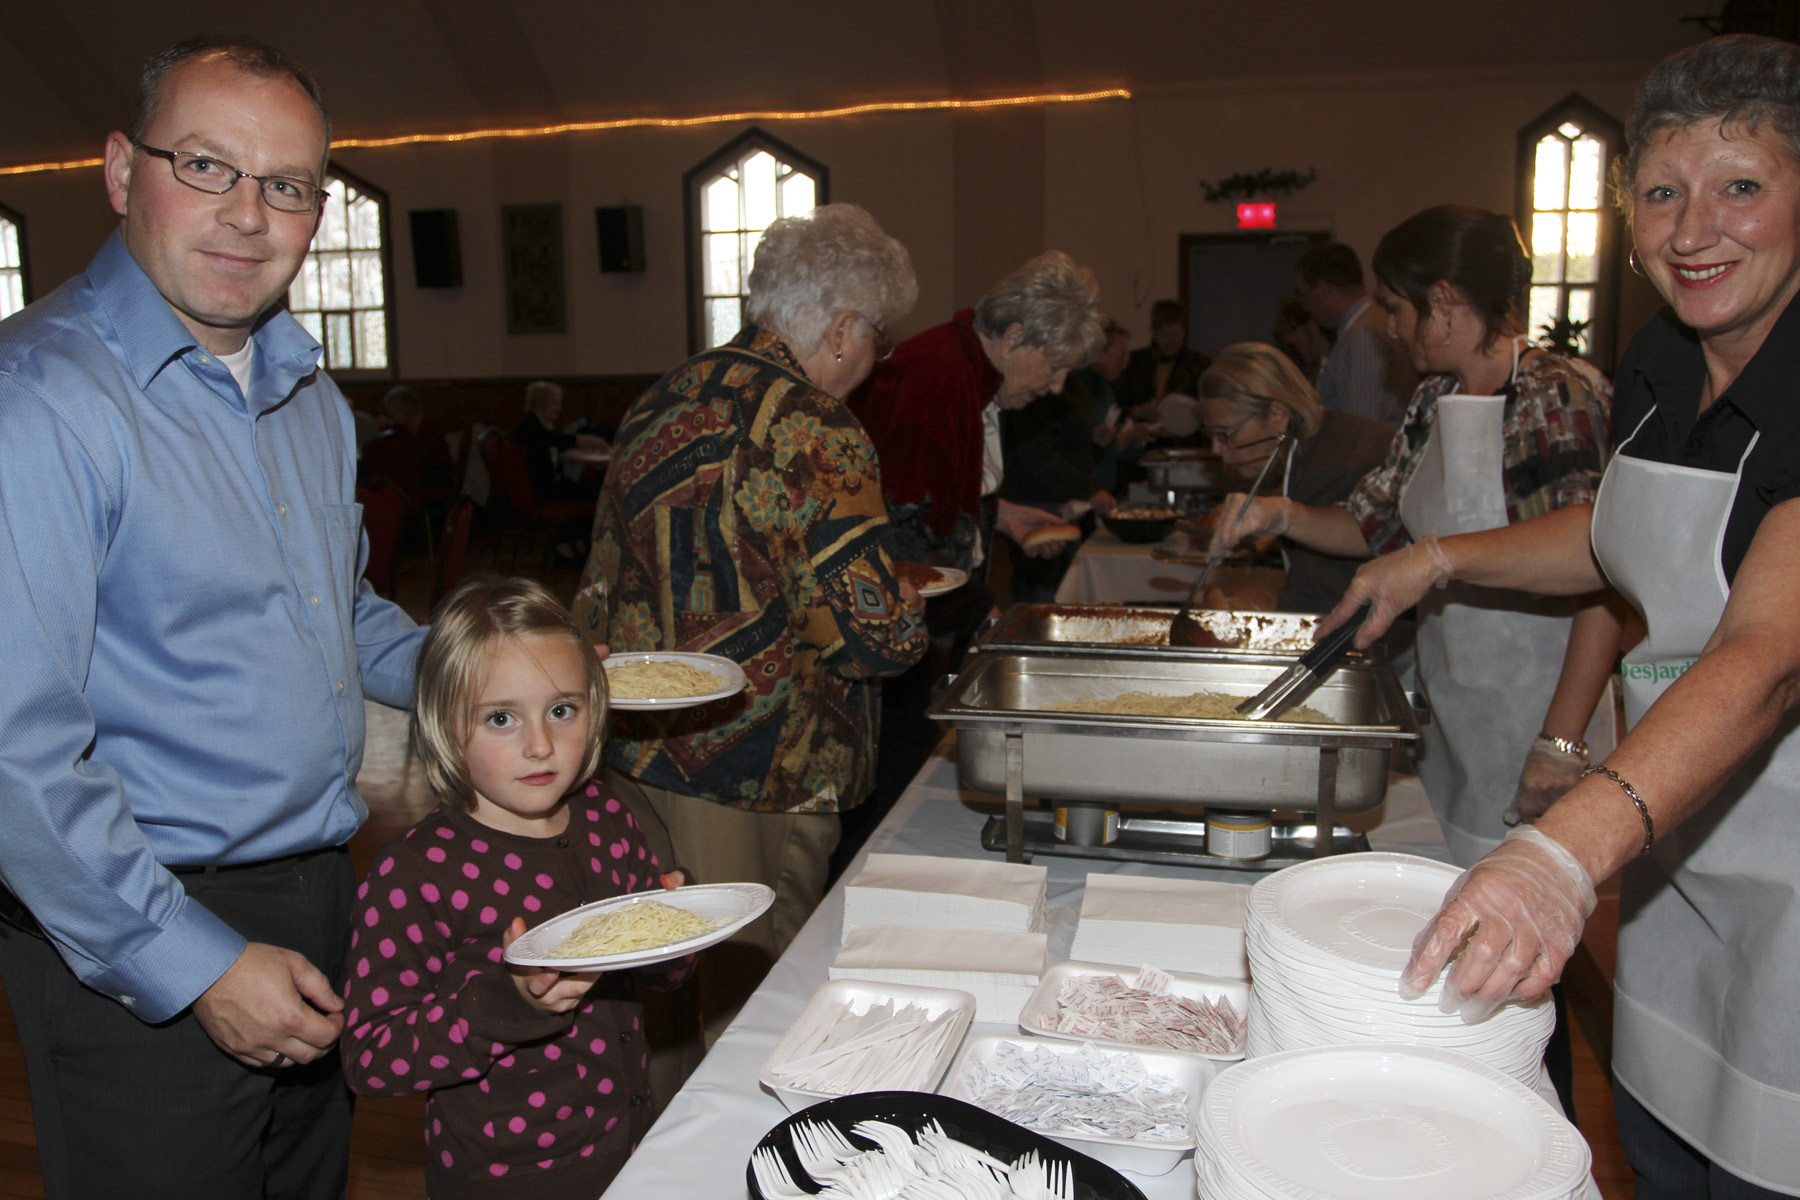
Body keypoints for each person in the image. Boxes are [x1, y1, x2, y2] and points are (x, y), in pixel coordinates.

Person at [1361, 36, 1800, 1198]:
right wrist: (1433, 561)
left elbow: (1767, 656)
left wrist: (1558, 855)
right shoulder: (1663, 359)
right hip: (1679, 860)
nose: (1693, 230)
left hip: (1788, 880)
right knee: (1657, 1148)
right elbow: (1614, 537)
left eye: (1740, 185)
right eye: (1661, 193)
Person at [0, 36, 426, 1200]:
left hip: (317, 886)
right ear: (119, 171)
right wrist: (190, 963)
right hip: (140, 919)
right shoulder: (36, 402)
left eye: (286, 184)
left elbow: (336, 614)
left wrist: (492, 667)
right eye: (205, 166)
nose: (247, 215)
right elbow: (15, 753)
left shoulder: (305, 392)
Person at [574, 204, 928, 1039]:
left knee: (660, 982)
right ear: (841, 328)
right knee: (753, 997)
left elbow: (602, 580)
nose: (873, 360)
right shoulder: (814, 424)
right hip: (762, 761)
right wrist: (907, 615)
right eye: (876, 338)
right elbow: (869, 641)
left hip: (633, 742)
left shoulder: (662, 394)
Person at [1211, 205, 1615, 869]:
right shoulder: (1432, 401)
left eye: (1398, 309)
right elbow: (1373, 526)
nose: (1392, 330)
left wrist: (1561, 741)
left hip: (1537, 714)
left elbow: (1600, 570)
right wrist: (1280, 515)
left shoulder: (1554, 394)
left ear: (1446, 302)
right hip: (1453, 713)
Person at [341, 576, 687, 1199]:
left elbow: (656, 975)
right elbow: (371, 1057)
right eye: (500, 718)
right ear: (443, 723)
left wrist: (677, 924)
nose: (540, 745)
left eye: (562, 710)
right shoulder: (415, 873)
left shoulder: (606, 816)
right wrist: (511, 1006)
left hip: (630, 1141)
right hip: (510, 1178)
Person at [853, 250, 1109, 578]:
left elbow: (940, 495)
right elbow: (907, 534)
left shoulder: (972, 373)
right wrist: (974, 604)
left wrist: (1002, 515)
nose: (1056, 387)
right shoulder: (939, 381)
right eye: (1054, 367)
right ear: (1013, 338)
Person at [1192, 342, 1393, 613]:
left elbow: (1320, 608)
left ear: (1278, 415)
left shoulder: (1333, 471)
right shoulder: (1323, 441)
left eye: (1225, 434)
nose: (1216, 449)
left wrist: (1249, 603)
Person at [1295, 240, 1418, 427]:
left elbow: (1362, 425)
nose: (1307, 307)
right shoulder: (1376, 319)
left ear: (1325, 289)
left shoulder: (1360, 335)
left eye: (1306, 297)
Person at [510, 379, 607, 560]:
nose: (558, 408)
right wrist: (595, 442)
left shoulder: (534, 424)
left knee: (589, 488)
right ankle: (573, 546)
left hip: (541, 488)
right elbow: (561, 440)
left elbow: (558, 440)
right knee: (594, 493)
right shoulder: (532, 427)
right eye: (554, 403)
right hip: (543, 492)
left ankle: (575, 544)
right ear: (542, 403)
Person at [1116, 298, 1211, 420]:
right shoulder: (1134, 362)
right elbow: (1117, 404)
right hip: (1143, 429)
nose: (1171, 341)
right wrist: (1135, 411)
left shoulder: (1199, 364)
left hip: (1184, 430)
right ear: (1154, 333)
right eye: (1165, 335)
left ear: (1184, 333)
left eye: (1176, 335)